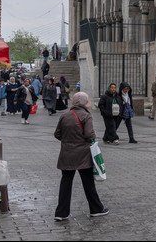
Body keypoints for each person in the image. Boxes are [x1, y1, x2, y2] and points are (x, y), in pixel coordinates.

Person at [54, 92, 108, 220]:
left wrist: (68, 140)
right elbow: (89, 134)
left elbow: (57, 134)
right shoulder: (86, 116)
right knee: (88, 183)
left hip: (66, 154)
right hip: (83, 155)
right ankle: (96, 209)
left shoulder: (65, 115)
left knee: (66, 183)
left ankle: (61, 213)